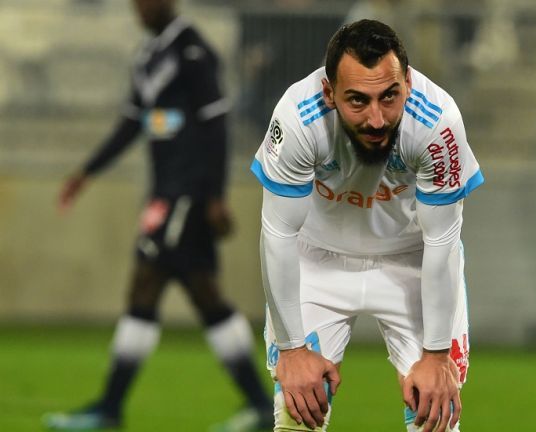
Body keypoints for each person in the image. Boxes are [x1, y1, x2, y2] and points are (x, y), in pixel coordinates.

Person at [43, 0, 273, 430]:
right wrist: (86, 172)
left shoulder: (193, 51)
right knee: (202, 296)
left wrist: (215, 196)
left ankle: (110, 407)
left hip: (188, 193)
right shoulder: (149, 55)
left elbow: (216, 123)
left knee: (148, 286)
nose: (138, 8)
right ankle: (260, 405)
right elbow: (132, 123)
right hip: (166, 193)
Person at [250, 19, 483, 431]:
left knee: (435, 415)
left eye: (389, 96)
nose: (376, 119)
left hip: (413, 261)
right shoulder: (298, 117)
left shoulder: (438, 121)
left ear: (407, 82)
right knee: (297, 414)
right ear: (329, 92)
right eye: (358, 100)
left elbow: (443, 239)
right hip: (316, 259)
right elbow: (279, 233)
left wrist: (435, 355)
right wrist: (291, 350)